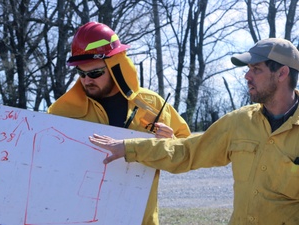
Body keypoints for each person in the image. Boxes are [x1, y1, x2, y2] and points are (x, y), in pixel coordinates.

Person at [88, 37, 299, 225]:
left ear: (282, 73)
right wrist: (128, 148)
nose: (247, 76)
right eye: (248, 69)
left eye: (256, 69)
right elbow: (187, 152)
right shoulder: (240, 122)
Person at [47, 21, 191, 225]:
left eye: (95, 73)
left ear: (117, 66)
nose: (87, 80)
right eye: (81, 73)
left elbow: (187, 153)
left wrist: (171, 143)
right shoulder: (60, 113)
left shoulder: (153, 104)